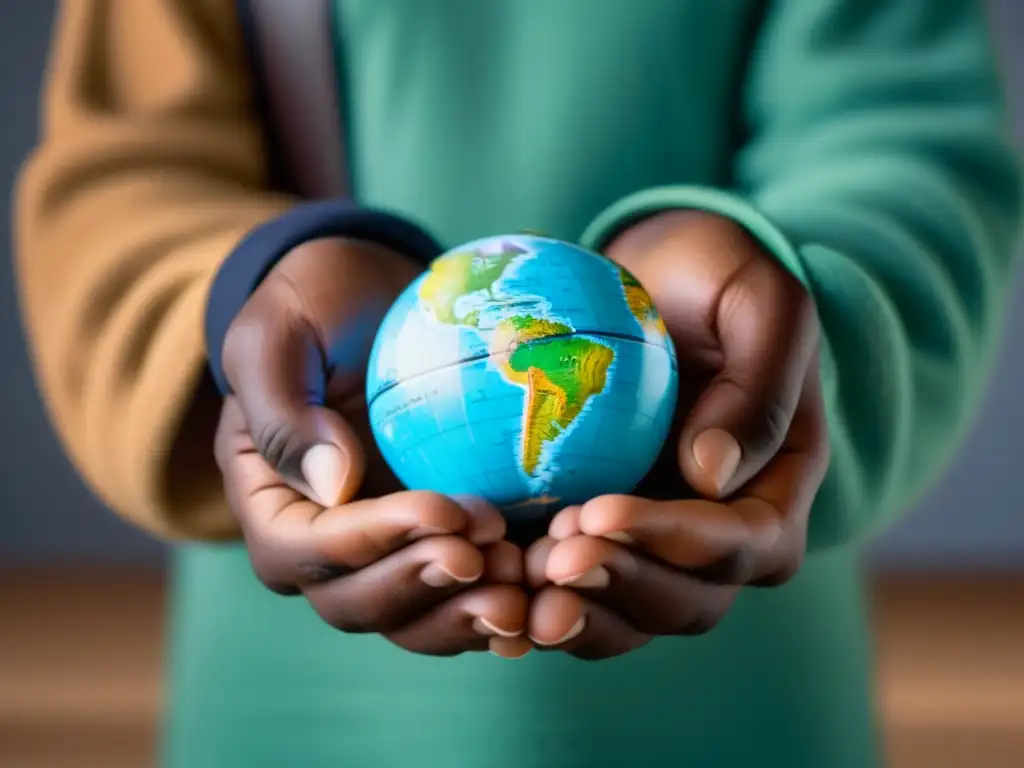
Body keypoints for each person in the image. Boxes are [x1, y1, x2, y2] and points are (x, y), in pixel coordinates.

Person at [14, 0, 1021, 765]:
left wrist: (796, 325)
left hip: (731, 671)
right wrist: (247, 298)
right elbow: (124, 165)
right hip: (296, 684)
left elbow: (900, 136)